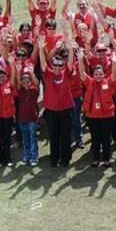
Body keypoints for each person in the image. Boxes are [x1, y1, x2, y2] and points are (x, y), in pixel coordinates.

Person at [77, 50, 116, 167]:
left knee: (106, 138)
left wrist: (114, 63)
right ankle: (95, 158)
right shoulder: (90, 82)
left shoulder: (108, 82)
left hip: (107, 116)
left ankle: (106, 159)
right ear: (93, 75)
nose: (98, 76)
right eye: (96, 74)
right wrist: (80, 59)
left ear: (104, 74)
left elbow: (115, 75)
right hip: (92, 116)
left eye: (100, 74)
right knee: (95, 138)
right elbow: (81, 72)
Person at [38, 36, 75, 167]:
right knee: (53, 136)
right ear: (52, 66)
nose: (58, 68)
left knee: (65, 136)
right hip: (51, 111)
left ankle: (65, 159)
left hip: (65, 110)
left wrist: (70, 50)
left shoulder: (66, 73)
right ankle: (54, 159)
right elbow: (43, 64)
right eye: (55, 65)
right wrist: (41, 49)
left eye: (60, 65)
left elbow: (70, 63)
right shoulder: (48, 74)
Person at [14, 61, 40, 166]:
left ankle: (34, 158)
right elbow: (17, 82)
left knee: (33, 138)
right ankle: (26, 157)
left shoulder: (34, 90)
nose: (26, 84)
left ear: (31, 82)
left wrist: (32, 73)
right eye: (23, 82)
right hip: (22, 119)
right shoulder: (21, 91)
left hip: (32, 119)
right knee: (25, 139)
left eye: (27, 82)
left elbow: (37, 84)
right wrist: (18, 70)